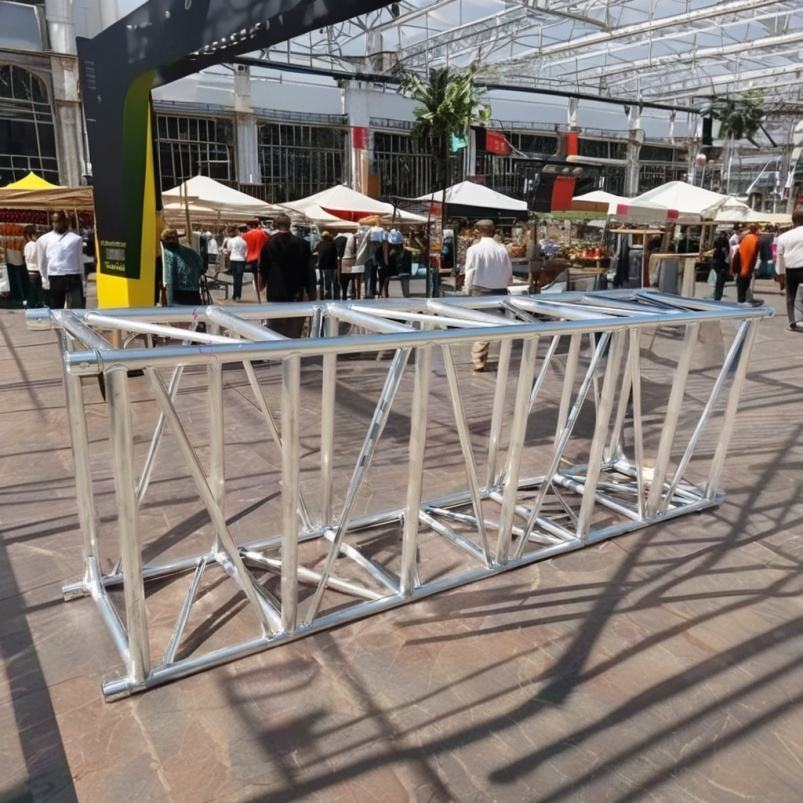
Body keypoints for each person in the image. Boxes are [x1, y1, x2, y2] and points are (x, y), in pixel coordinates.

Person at [464, 219, 513, 371]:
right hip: (500, 290)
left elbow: (470, 271)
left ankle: (478, 358)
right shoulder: (502, 249)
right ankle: (482, 358)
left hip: (480, 290)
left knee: (483, 325)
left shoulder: (473, 250)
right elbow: (508, 272)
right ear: (493, 230)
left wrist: (466, 288)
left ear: (478, 231)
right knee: (495, 324)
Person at [258, 213, 314, 337]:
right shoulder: (303, 244)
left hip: (275, 290)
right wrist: (311, 292)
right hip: (296, 290)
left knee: (275, 327)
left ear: (276, 225)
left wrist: (261, 286)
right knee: (294, 327)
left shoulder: (269, 244)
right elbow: (309, 270)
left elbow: (263, 269)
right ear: (289, 225)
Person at [37, 211, 85, 309]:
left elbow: (80, 260)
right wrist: (45, 279)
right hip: (55, 277)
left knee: (77, 307)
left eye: (59, 221)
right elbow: (41, 261)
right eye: (54, 222)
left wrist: (83, 280)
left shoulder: (76, 239)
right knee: (56, 309)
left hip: (73, 275)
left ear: (65, 221)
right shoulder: (44, 239)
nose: (56, 224)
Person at [775, 206, 803, 332]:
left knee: (790, 296)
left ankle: (792, 322)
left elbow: (780, 256)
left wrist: (781, 274)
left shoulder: (783, 237)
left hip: (791, 269)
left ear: (793, 220)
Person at [161, 228, 204, 306]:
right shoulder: (189, 251)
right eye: (169, 238)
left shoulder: (168, 252)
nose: (171, 240)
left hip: (180, 293)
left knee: (180, 313)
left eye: (172, 238)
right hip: (194, 292)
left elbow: (169, 279)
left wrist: (168, 302)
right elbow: (201, 264)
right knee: (194, 313)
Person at [243, 218, 268, 301]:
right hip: (261, 258)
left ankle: (258, 296)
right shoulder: (263, 233)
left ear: (251, 226)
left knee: (255, 277)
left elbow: (245, 247)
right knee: (262, 276)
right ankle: (261, 294)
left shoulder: (246, 235)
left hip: (251, 259)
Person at [735, 223, 760, 303]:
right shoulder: (755, 238)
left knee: (741, 291)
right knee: (744, 288)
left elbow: (740, 254)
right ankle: (743, 303)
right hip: (748, 269)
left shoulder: (746, 238)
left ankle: (741, 304)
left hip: (742, 268)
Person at [23, 225, 45, 308]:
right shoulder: (37, 244)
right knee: (39, 290)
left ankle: (31, 305)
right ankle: (39, 304)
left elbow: (28, 257)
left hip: (31, 270)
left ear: (27, 235)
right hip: (38, 270)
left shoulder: (28, 245)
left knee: (32, 290)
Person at [315, 231, 339, 300]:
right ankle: (332, 296)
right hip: (332, 266)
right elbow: (336, 254)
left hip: (322, 266)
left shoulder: (320, 244)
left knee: (323, 282)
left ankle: (325, 296)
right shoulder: (333, 244)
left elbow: (315, 252)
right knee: (332, 282)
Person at [227, 224, 248, 301]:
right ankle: (238, 296)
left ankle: (234, 295)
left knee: (235, 278)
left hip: (233, 260)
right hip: (241, 261)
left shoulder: (231, 241)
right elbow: (246, 253)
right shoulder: (244, 241)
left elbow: (229, 251)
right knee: (239, 279)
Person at [711, 229, 731, 302]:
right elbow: (726, 258)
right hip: (722, 266)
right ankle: (718, 296)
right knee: (720, 282)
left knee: (718, 281)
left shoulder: (716, 248)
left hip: (717, 266)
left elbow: (714, 256)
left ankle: (717, 295)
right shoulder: (724, 247)